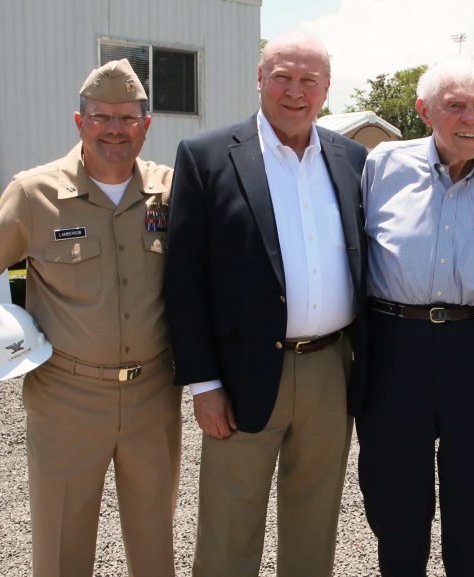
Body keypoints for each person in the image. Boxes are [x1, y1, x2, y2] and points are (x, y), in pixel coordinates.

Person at [0, 59, 181, 577]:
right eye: (101, 117)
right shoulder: (33, 193)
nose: (114, 129)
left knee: (155, 539)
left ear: (146, 125)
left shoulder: (171, 191)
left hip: (153, 393)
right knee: (62, 544)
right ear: (79, 122)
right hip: (67, 398)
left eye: (127, 118)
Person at [164, 31, 368, 577]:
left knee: (314, 523)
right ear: (259, 79)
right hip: (241, 372)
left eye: (309, 79)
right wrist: (204, 384)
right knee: (230, 526)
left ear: (327, 87)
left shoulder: (354, 160)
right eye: (282, 76)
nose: (295, 91)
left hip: (330, 370)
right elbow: (184, 281)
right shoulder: (206, 157)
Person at [358, 59, 474, 577]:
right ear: (424, 111)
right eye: (455, 106)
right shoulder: (380, 168)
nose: (470, 119)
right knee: (395, 507)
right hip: (395, 349)